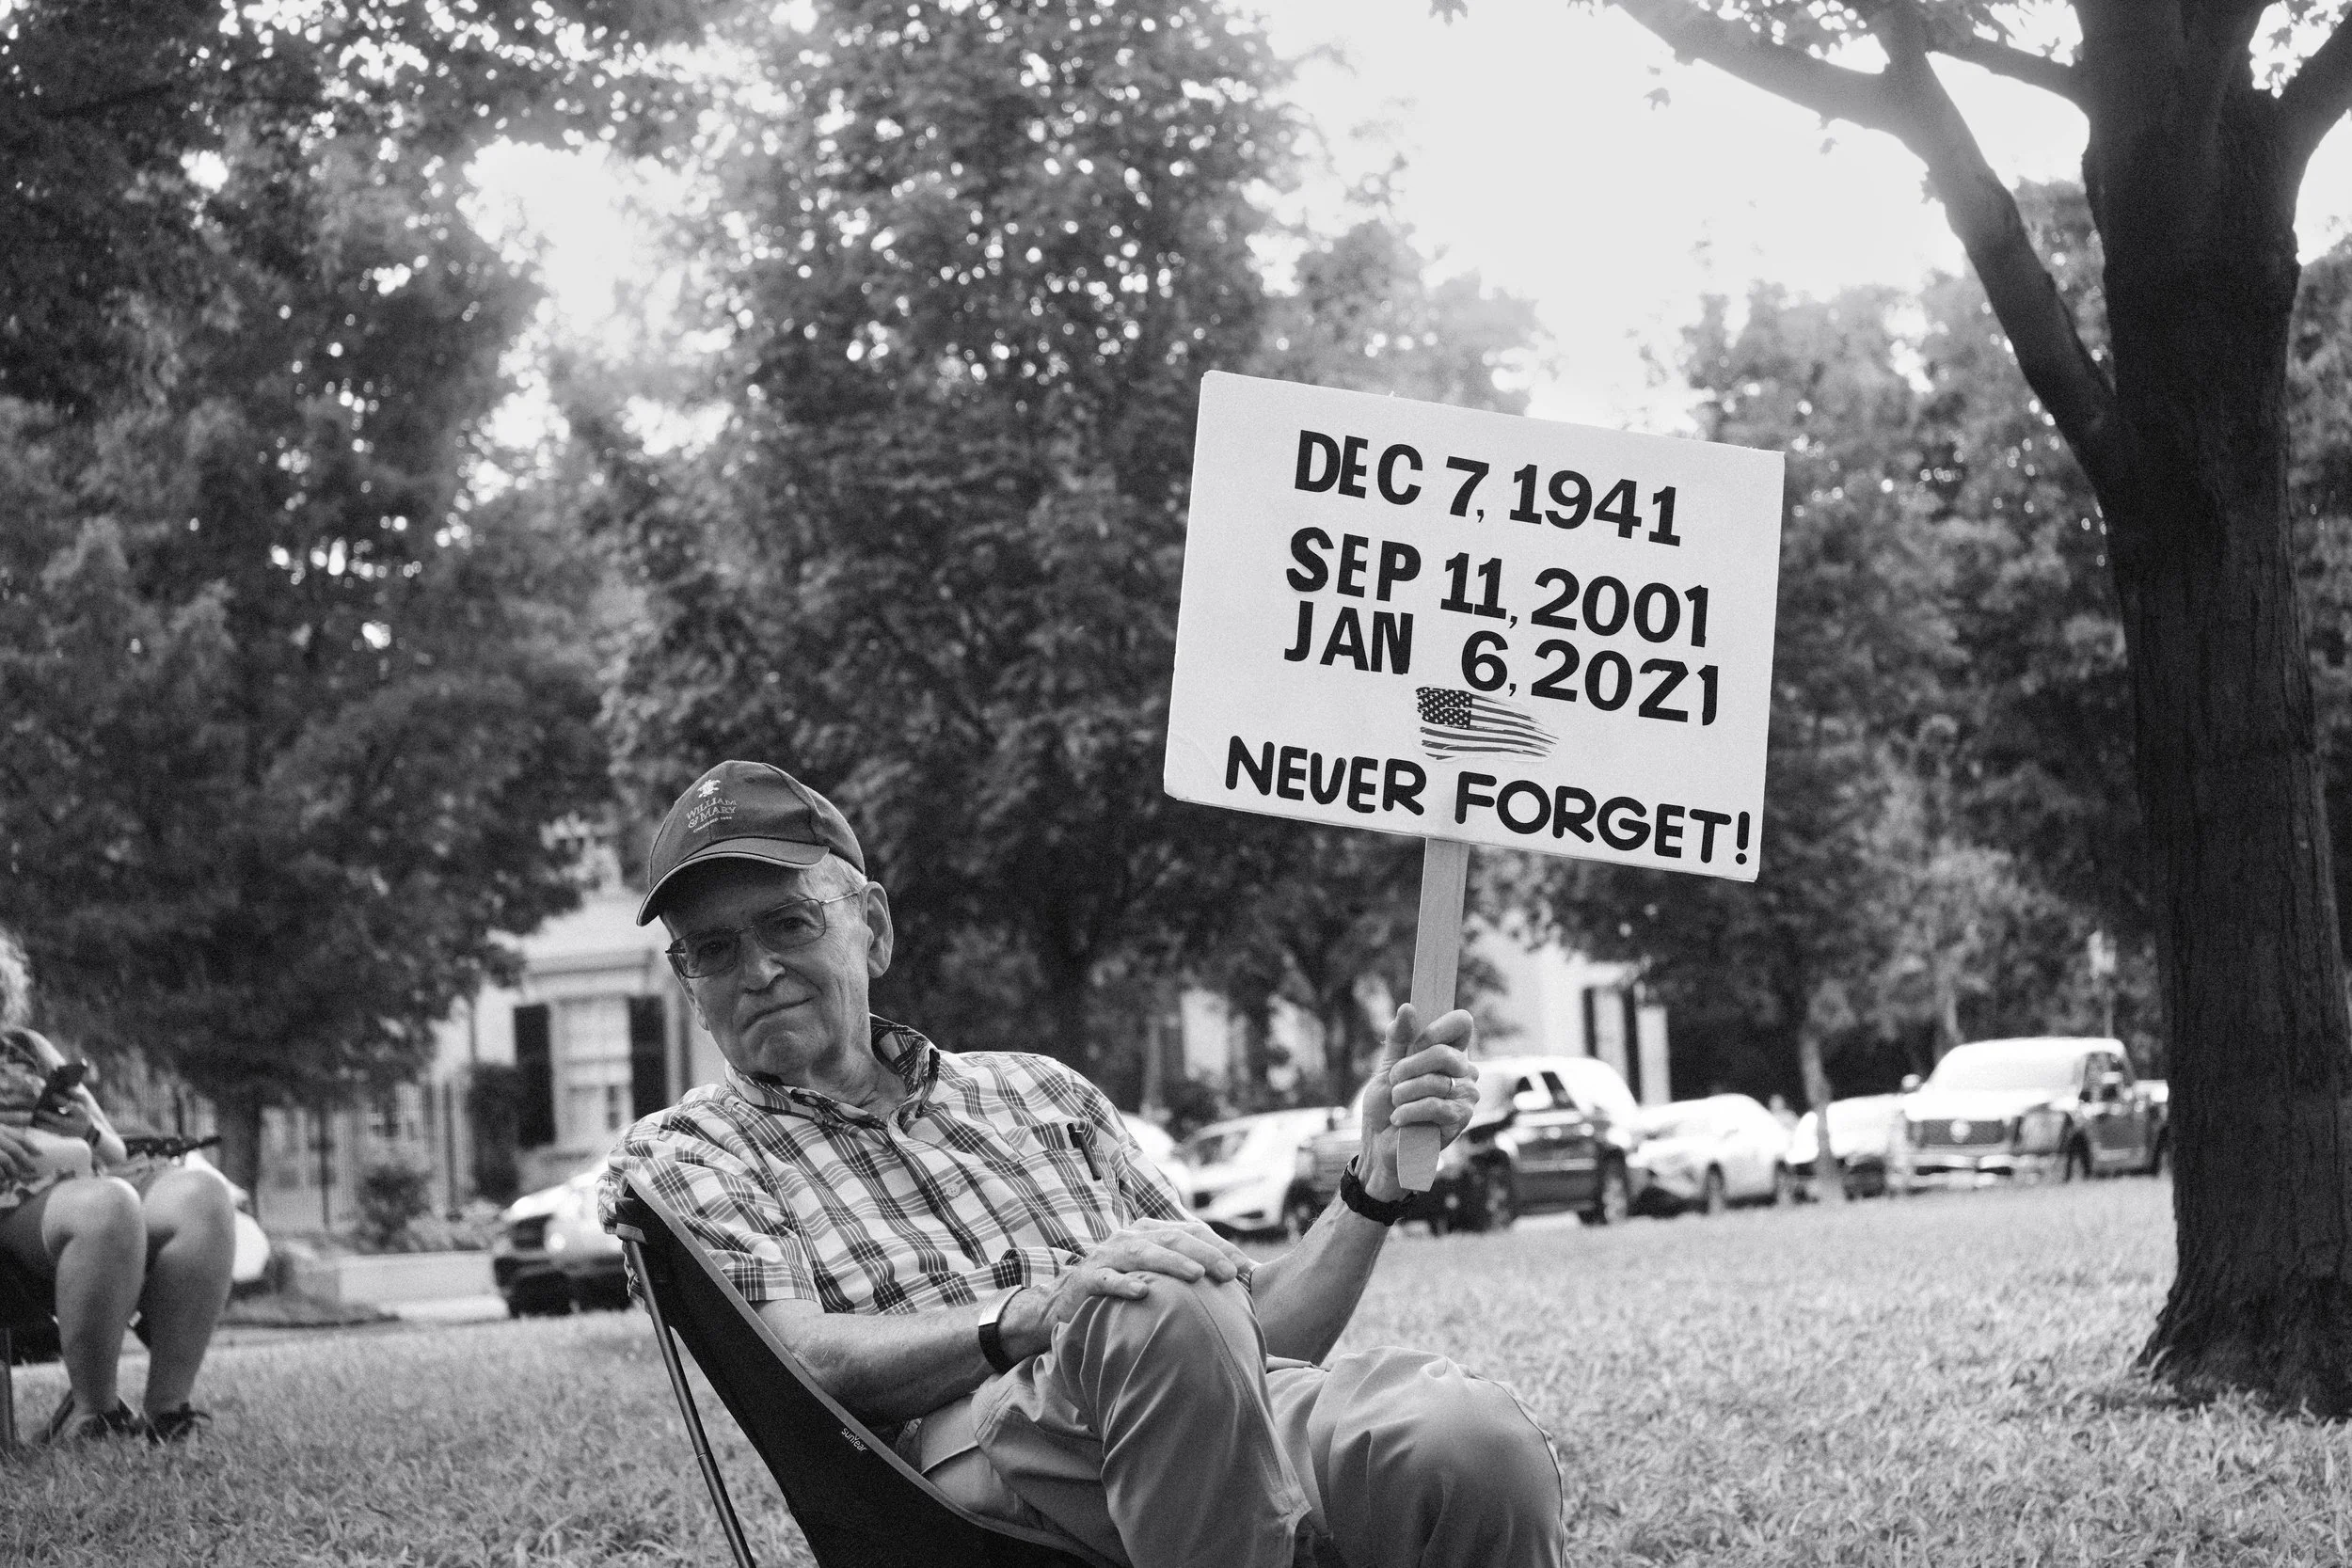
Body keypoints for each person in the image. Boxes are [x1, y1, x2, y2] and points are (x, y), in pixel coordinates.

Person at [602, 761, 1565, 1568]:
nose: (757, 969)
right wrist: (1040, 1312)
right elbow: (802, 1358)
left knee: (1464, 1440)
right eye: (713, 949)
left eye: (788, 923)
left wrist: (1372, 1180)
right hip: (968, 1456)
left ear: (874, 928)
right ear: (689, 983)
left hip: (1189, 1397)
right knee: (1155, 1303)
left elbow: (1242, 1327)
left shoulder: (1041, 1088)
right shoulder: (692, 1147)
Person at [0, 926, 235, 1443]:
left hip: (83, 1177)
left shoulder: (28, 1048)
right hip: (15, 1198)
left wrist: (84, 1126)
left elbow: (114, 1151)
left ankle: (167, 1412)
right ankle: (97, 1414)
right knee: (108, 1206)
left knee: (203, 1197)